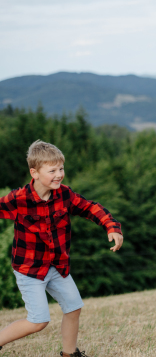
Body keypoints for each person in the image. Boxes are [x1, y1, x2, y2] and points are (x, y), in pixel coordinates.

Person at [0, 140, 123, 357]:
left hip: (57, 266)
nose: (59, 174)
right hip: (29, 270)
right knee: (38, 321)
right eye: (52, 170)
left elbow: (89, 207)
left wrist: (111, 226)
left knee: (74, 307)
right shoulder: (19, 198)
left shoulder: (64, 195)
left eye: (61, 169)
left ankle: (69, 354)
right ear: (34, 173)